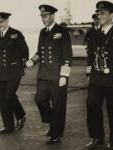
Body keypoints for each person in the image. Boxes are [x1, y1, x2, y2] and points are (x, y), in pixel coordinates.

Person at [26, 4, 73, 144]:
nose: (43, 19)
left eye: (45, 16)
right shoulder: (42, 32)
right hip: (43, 74)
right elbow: (40, 52)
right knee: (39, 100)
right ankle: (53, 122)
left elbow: (67, 55)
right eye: (42, 16)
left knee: (58, 105)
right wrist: (31, 61)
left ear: (52, 16)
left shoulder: (62, 31)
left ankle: (56, 133)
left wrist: (64, 75)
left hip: (58, 75)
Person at [85, 1, 113, 149]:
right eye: (98, 13)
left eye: (103, 13)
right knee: (91, 105)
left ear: (111, 15)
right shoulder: (93, 33)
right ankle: (97, 137)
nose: (99, 15)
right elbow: (90, 55)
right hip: (96, 77)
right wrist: (88, 73)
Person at [0, 12, 29, 134]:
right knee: (2, 100)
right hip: (1, 71)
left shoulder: (16, 34)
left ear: (7, 21)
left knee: (9, 95)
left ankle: (21, 115)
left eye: (1, 21)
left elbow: (25, 51)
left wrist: (22, 64)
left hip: (14, 71)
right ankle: (8, 126)